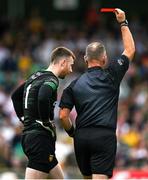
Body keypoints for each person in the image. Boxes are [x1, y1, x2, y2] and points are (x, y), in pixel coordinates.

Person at [59, 9, 135, 179]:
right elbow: (129, 50)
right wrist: (123, 22)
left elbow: (63, 115)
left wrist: (73, 133)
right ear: (105, 59)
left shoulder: (73, 85)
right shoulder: (112, 75)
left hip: (82, 137)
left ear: (85, 60)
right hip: (104, 136)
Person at [11, 47, 75, 179]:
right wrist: (46, 122)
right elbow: (43, 96)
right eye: (70, 65)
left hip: (33, 136)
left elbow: (15, 96)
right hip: (40, 139)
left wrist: (24, 118)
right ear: (63, 62)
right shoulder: (52, 80)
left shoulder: (35, 76)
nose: (71, 70)